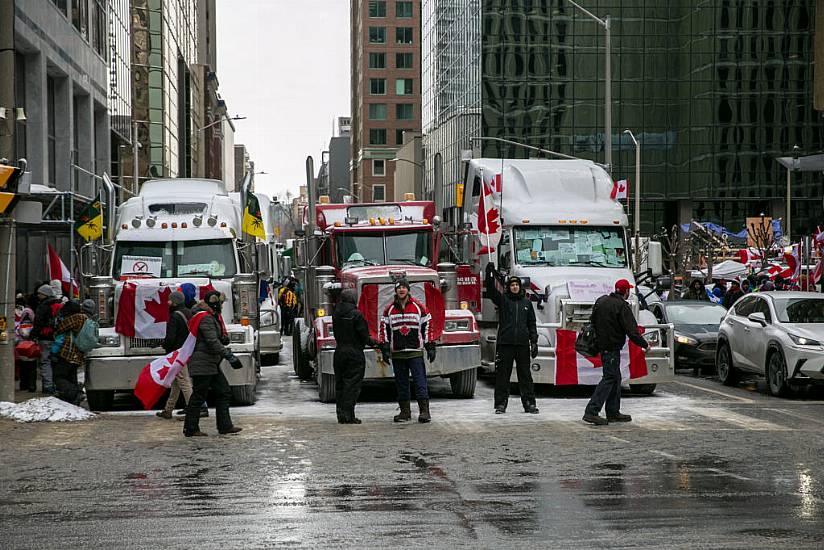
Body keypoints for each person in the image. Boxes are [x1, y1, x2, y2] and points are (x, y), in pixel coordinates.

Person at [583, 279, 650, 426]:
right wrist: (644, 344)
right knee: (610, 378)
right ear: (626, 291)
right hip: (612, 347)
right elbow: (632, 331)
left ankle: (613, 411)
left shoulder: (601, 301)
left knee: (616, 377)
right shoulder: (621, 306)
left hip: (602, 345)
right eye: (628, 291)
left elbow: (592, 321)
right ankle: (592, 411)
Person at [183, 290, 243, 437]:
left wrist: (223, 339)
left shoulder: (210, 316)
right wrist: (229, 356)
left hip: (210, 363)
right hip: (203, 363)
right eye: (221, 303)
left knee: (223, 392)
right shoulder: (206, 318)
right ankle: (191, 428)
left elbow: (213, 338)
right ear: (215, 303)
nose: (222, 306)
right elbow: (211, 342)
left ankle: (225, 426)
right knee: (199, 395)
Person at [484, 264, 539, 414]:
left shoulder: (527, 303)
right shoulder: (503, 301)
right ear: (508, 287)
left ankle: (529, 404)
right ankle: (501, 404)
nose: (514, 287)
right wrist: (489, 275)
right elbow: (491, 291)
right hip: (505, 344)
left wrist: (534, 341)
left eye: (516, 285)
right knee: (503, 376)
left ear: (520, 287)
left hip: (522, 345)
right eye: (512, 285)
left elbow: (532, 323)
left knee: (525, 376)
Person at [380, 279, 436, 423]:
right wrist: (385, 348)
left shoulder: (419, 307)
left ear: (408, 290)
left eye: (404, 287)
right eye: (399, 288)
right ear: (395, 291)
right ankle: (405, 412)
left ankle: (424, 411)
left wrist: (430, 346)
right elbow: (384, 330)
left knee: (420, 382)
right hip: (397, 353)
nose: (401, 290)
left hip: (415, 352)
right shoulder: (389, 309)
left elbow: (427, 326)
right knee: (401, 383)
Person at [332, 289, 379, 424]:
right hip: (354, 353)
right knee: (352, 385)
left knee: (340, 384)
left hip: (339, 351)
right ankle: (349, 415)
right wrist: (376, 343)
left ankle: (341, 414)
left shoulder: (336, 313)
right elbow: (364, 336)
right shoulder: (356, 315)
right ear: (353, 299)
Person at [156, 291, 203, 420]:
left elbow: (171, 337)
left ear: (175, 302)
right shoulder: (188, 313)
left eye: (169, 300)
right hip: (187, 350)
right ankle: (168, 409)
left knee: (183, 381)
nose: (167, 303)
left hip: (177, 353)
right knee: (176, 382)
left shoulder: (174, 316)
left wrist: (165, 346)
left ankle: (193, 410)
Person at [50, 300, 88, 405]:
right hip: (78, 353)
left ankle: (76, 393)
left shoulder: (75, 318)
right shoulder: (84, 318)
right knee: (71, 376)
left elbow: (59, 329)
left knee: (58, 376)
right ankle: (73, 400)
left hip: (69, 352)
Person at [31, 284, 62, 394]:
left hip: (45, 337)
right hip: (58, 337)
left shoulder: (43, 306)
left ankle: (48, 386)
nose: (38, 295)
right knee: (55, 361)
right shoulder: (58, 304)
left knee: (45, 361)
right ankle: (56, 384)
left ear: (45, 294)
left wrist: (33, 335)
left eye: (40, 293)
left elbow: (38, 323)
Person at [14, 294, 37, 392]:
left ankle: (23, 385)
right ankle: (32, 385)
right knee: (32, 367)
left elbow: (18, 333)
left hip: (22, 347)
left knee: (23, 367)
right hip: (31, 347)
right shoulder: (33, 322)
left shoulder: (21, 324)